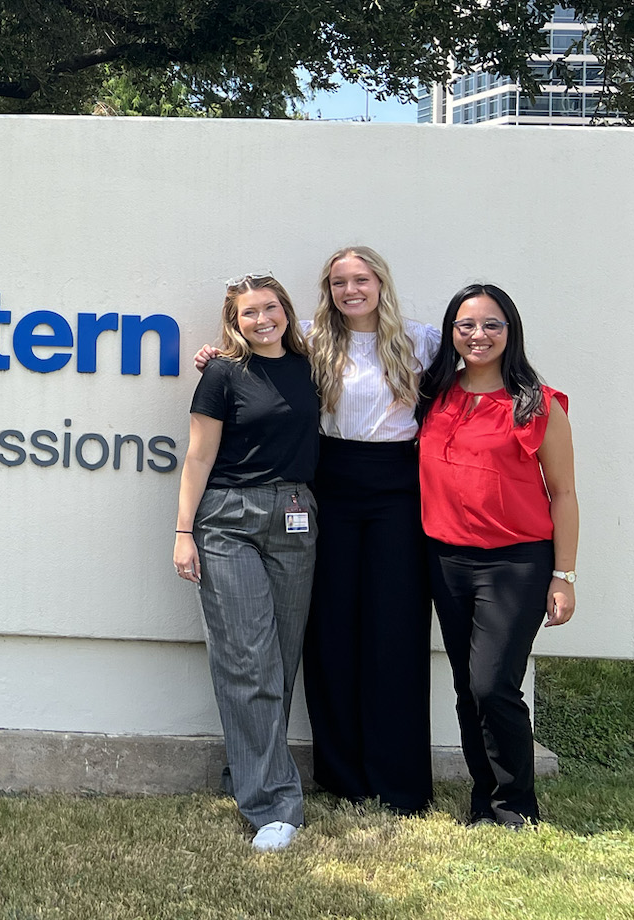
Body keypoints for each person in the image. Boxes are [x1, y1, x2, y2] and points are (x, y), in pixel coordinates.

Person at [194, 246, 441, 814]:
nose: (350, 290)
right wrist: (214, 354)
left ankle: (399, 780)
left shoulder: (422, 340)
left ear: (381, 280)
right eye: (338, 282)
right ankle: (341, 773)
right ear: (326, 290)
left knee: (395, 628)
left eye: (360, 279)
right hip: (326, 484)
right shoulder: (311, 337)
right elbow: (252, 340)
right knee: (328, 633)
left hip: (397, 487)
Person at [414, 283, 577, 828]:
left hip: (516, 563)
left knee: (493, 684)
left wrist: (564, 575)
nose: (478, 336)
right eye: (466, 325)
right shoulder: (432, 393)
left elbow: (564, 494)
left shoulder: (539, 403)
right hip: (446, 561)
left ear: (511, 332)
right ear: (451, 333)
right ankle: (483, 799)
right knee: (467, 685)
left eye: (491, 325)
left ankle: (516, 804)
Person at [173, 273, 321, 852]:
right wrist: (184, 532)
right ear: (233, 322)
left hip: (296, 514)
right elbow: (197, 456)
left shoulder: (313, 365)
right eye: (247, 314)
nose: (261, 320)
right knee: (246, 657)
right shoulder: (220, 374)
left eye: (270, 308)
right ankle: (273, 806)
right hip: (228, 520)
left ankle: (245, 774)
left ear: (286, 310)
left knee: (279, 659)